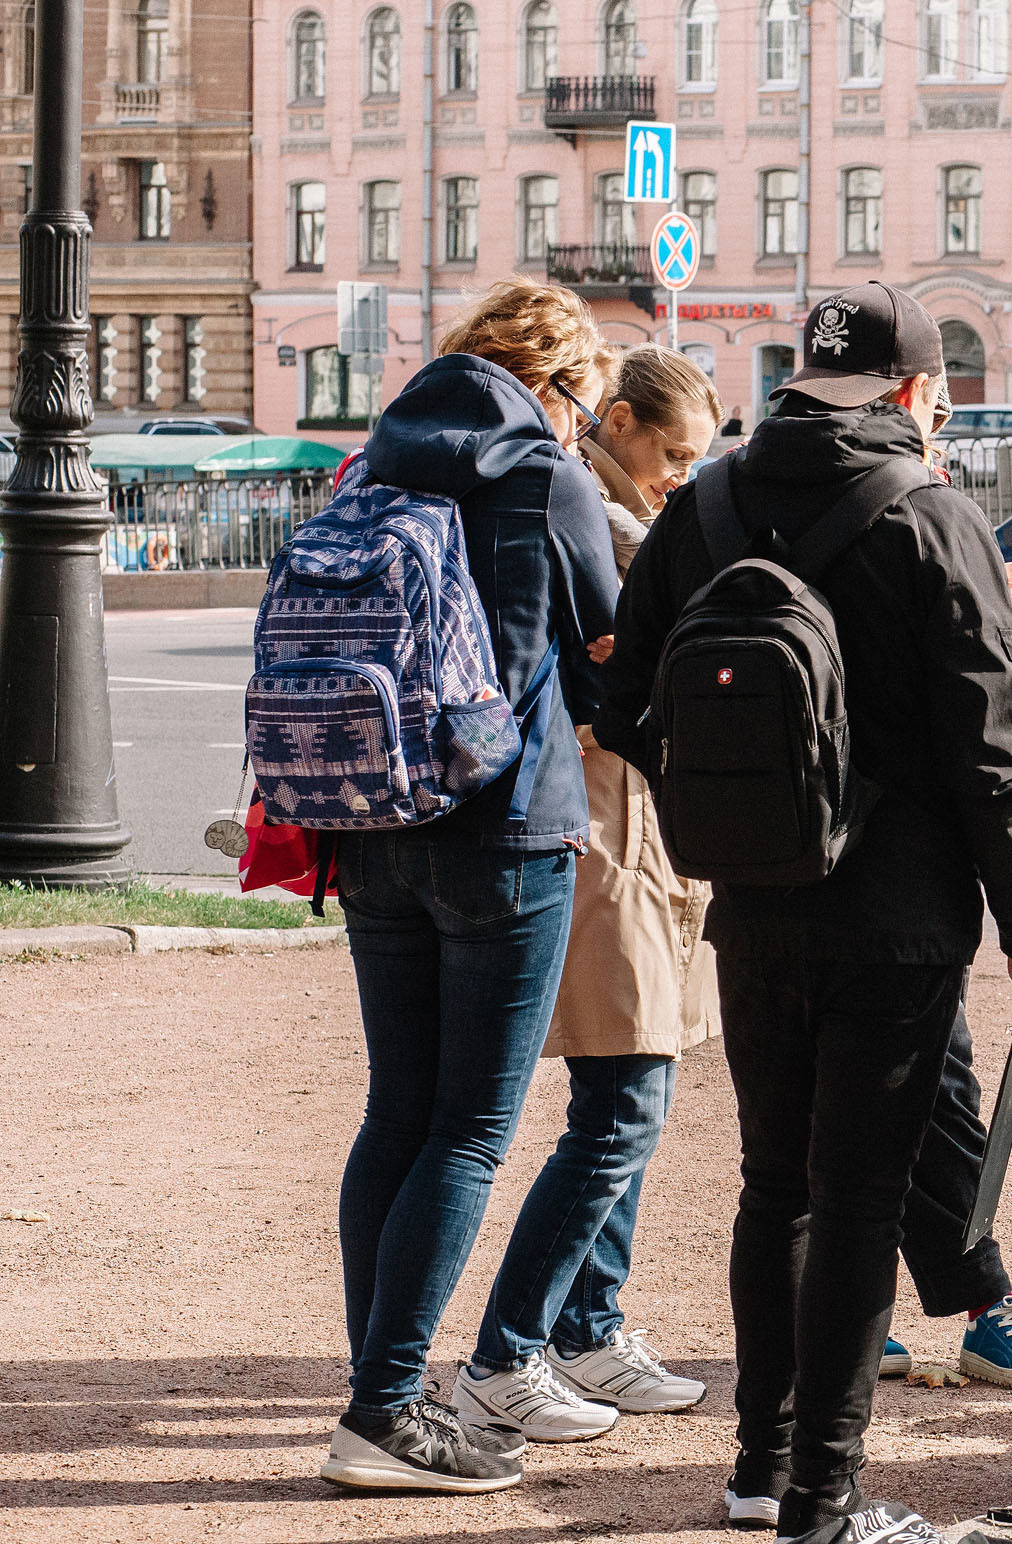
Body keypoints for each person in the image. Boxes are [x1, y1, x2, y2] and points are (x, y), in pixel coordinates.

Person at [595, 280, 1012, 1544]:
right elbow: (993, 748)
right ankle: (825, 1497)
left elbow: (623, 704)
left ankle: (760, 1470)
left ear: (800, 380)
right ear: (915, 393)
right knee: (860, 1198)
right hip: (902, 920)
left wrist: (731, 814)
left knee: (775, 1189)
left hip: (752, 908)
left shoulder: (703, 506)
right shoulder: (935, 517)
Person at [320, 278, 619, 1494]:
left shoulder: (373, 462)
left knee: (397, 1111)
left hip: (370, 818)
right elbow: (611, 653)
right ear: (552, 384)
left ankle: (381, 1389)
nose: (582, 429)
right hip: (505, 825)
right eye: (585, 407)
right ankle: (387, 1412)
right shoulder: (545, 474)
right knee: (470, 1131)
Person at [448, 345, 724, 1446]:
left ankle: (587, 1327)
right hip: (603, 822)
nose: (680, 475)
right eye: (672, 452)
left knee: (625, 1097)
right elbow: (613, 681)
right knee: (623, 1101)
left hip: (624, 820)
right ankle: (510, 1349)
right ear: (612, 420)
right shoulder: (592, 521)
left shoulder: (619, 520)